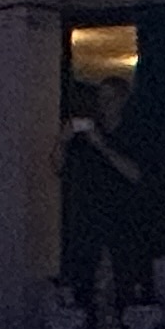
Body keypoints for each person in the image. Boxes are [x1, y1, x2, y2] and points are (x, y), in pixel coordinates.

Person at [60, 78, 152, 306]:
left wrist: (101, 146)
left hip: (124, 220)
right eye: (100, 98)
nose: (103, 104)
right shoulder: (88, 133)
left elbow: (136, 174)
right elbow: (57, 167)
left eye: (109, 98)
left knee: (126, 283)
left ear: (123, 100)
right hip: (89, 219)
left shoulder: (135, 132)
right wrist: (62, 141)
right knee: (85, 284)